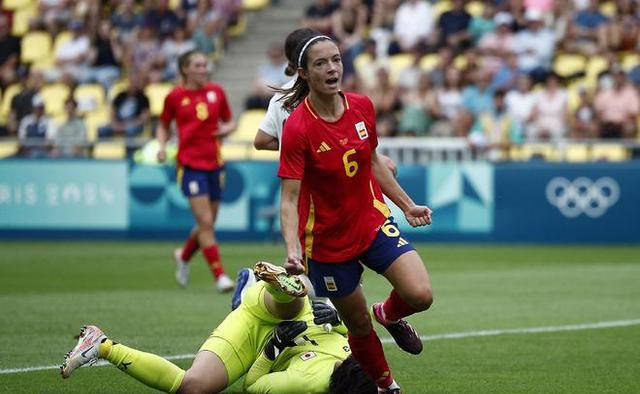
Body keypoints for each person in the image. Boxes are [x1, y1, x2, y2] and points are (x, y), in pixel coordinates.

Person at [278, 33, 434, 393]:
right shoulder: (299, 127)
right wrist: (292, 249)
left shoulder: (362, 106)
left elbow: (374, 163)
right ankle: (386, 385)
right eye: (321, 63)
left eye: (335, 59)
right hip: (327, 243)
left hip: (372, 221)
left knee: (421, 295)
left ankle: (390, 313)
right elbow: (289, 199)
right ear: (303, 73)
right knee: (358, 325)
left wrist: (407, 205)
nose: (332, 68)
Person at [61, 262, 378, 394]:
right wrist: (337, 323)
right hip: (293, 314)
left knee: (193, 388)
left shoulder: (306, 383)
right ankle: (283, 285)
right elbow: (357, 331)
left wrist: (273, 349)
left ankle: (100, 344)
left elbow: (252, 386)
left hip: (259, 335)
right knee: (297, 303)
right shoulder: (367, 365)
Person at [157, 50, 236, 293]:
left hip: (215, 164)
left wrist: (226, 130)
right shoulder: (174, 97)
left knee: (207, 223)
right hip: (190, 166)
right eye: (198, 65)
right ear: (185, 69)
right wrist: (161, 146)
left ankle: (183, 255)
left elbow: (231, 120)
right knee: (205, 222)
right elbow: (163, 125)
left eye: (205, 65)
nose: (204, 69)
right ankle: (220, 276)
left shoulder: (217, 92)